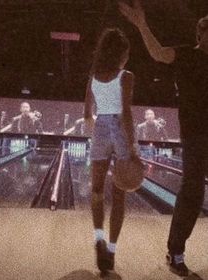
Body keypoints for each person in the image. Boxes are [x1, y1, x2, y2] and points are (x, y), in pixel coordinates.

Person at [119, 1, 208, 276]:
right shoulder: (186, 56)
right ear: (200, 33)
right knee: (193, 192)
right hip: (196, 134)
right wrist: (141, 23)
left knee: (194, 191)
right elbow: (157, 53)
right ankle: (176, 252)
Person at [84, 28, 138, 273]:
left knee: (96, 190)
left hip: (101, 128)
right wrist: (132, 145)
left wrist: (99, 133)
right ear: (120, 54)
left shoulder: (93, 76)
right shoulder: (126, 76)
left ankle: (98, 239)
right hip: (119, 129)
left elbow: (87, 115)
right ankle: (112, 251)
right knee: (119, 194)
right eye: (126, 52)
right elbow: (126, 112)